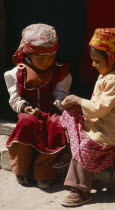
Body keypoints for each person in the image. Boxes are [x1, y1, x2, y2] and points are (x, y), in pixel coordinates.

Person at [60, 28, 115, 207]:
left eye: (97, 61)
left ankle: (81, 189)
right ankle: (69, 149)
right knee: (69, 114)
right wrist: (75, 104)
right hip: (100, 120)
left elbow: (100, 109)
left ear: (112, 59)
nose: (93, 65)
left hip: (109, 130)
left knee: (86, 145)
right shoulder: (106, 76)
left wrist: (79, 100)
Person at [4, 23, 72, 189]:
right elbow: (14, 99)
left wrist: (60, 103)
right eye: (41, 58)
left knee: (57, 126)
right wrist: (25, 108)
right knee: (26, 123)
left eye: (51, 57)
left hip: (51, 113)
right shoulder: (16, 73)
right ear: (28, 54)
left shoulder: (61, 72)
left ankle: (43, 174)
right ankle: (21, 170)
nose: (47, 62)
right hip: (29, 113)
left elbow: (60, 94)